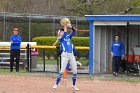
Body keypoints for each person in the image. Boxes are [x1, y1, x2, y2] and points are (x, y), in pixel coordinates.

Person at [53, 23, 79, 91]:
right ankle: (56, 84)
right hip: (65, 55)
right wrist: (65, 26)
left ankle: (73, 85)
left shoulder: (68, 37)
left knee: (75, 71)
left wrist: (71, 27)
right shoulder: (60, 38)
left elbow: (73, 32)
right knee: (61, 71)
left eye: (62, 30)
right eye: (60, 31)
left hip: (71, 55)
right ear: (59, 34)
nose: (62, 32)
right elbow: (65, 33)